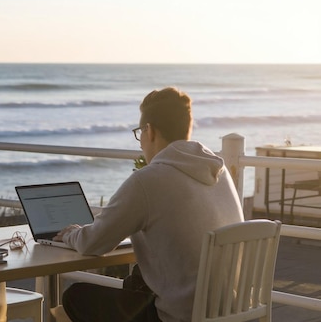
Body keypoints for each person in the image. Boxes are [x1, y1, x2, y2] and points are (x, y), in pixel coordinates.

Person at [52, 87, 244, 322]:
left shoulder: (148, 180)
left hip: (179, 316)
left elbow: (93, 242)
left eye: (139, 133)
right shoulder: (220, 172)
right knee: (137, 280)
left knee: (76, 296)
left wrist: (72, 233)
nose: (140, 143)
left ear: (149, 131)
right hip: (230, 311)